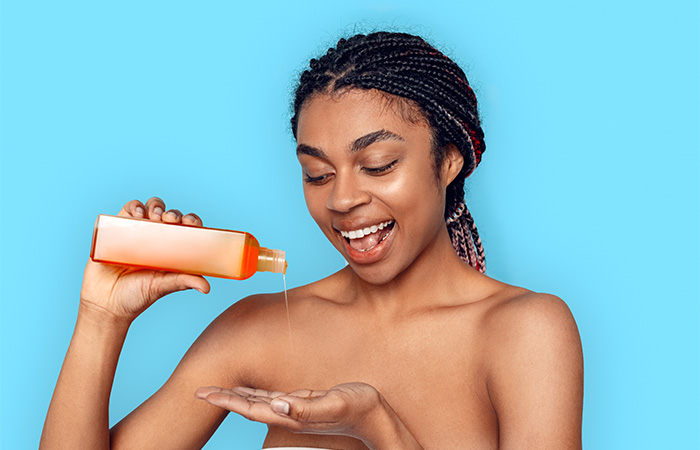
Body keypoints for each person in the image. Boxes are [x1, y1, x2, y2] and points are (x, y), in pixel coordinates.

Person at [40, 31, 583, 449]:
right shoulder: (263, 327)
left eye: (377, 164)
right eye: (318, 174)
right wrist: (100, 319)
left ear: (449, 160)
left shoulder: (523, 333)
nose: (342, 200)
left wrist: (377, 426)